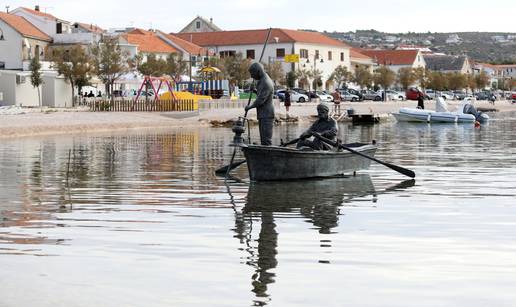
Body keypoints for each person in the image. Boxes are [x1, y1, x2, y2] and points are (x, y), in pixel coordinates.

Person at [245, 63, 275, 146]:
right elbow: (260, 94)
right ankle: (264, 157)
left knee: (266, 140)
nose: (252, 76)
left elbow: (261, 100)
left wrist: (249, 107)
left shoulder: (266, 82)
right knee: (263, 139)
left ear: (258, 71)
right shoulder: (262, 80)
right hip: (263, 114)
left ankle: (268, 157)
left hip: (267, 115)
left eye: (252, 74)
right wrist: (254, 90)